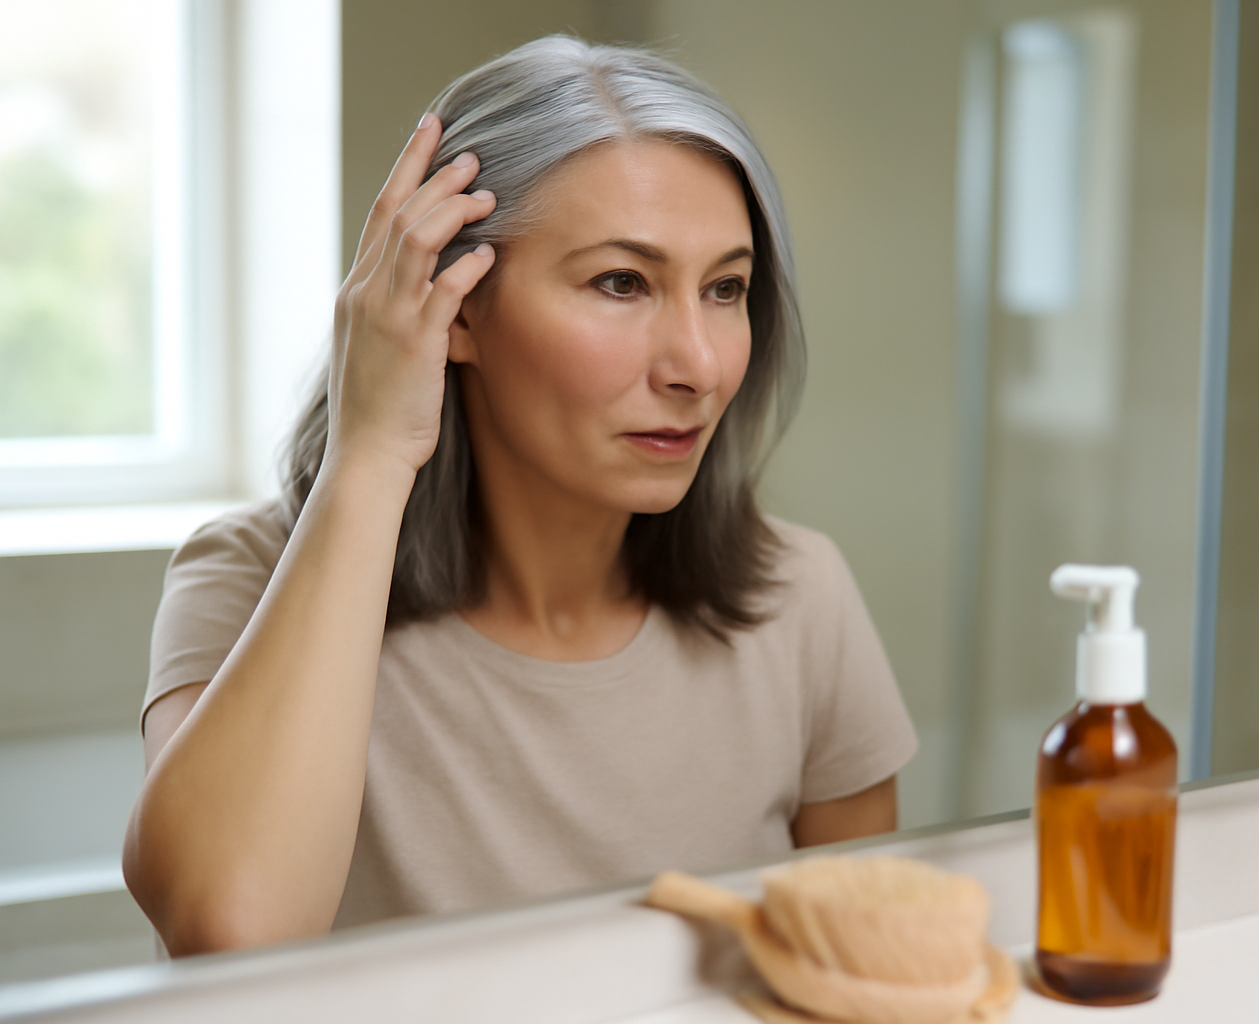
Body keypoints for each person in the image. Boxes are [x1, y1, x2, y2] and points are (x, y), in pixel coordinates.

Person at [122, 36, 917, 957]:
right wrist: (371, 453)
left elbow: (857, 972)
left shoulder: (799, 595)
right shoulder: (246, 577)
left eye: (727, 288)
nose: (699, 366)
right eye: (623, 282)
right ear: (454, 306)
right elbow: (228, 933)